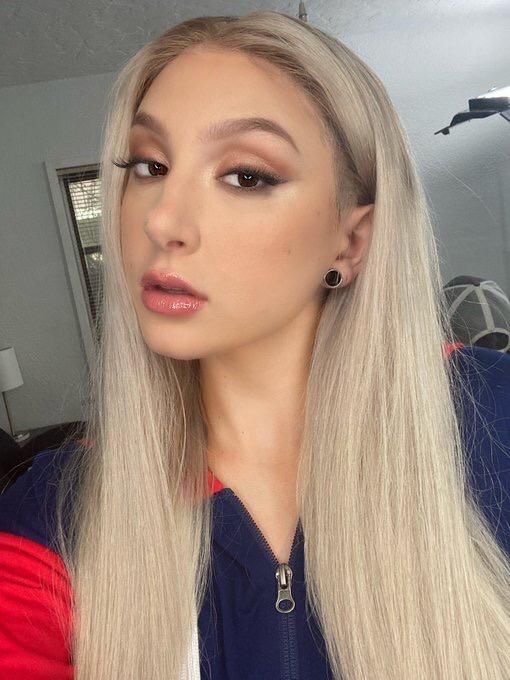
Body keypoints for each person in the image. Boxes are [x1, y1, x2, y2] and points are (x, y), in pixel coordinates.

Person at [1, 8, 509, 680]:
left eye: (246, 175)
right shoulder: (51, 517)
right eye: (149, 165)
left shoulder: (495, 413)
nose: (162, 219)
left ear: (351, 241)